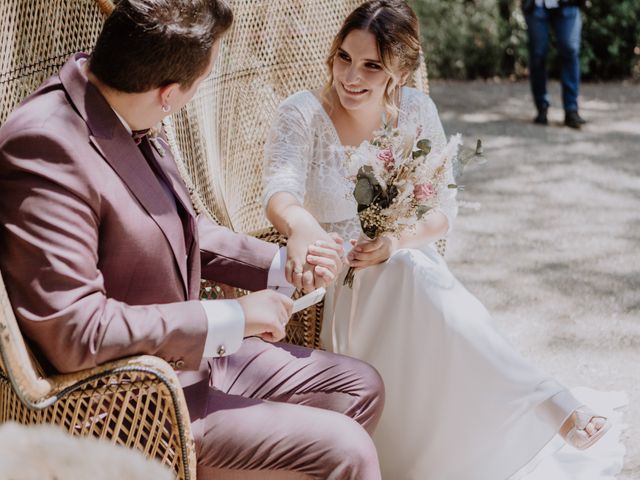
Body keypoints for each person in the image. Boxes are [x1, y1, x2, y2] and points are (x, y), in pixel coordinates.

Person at [0, 1, 386, 479]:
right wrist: (233, 316)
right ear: (168, 94)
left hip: (195, 358)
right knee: (350, 451)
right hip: (132, 396)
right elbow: (77, 331)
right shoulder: (45, 147)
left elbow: (180, 224)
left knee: (359, 387)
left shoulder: (121, 94)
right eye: (201, 82)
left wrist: (280, 261)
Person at [263, 1, 624, 479]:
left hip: (402, 259)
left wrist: (394, 242)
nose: (351, 76)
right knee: (415, 280)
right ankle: (546, 400)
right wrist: (301, 224)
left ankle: (541, 400)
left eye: (372, 65)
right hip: (330, 271)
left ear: (400, 70)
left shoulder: (415, 110)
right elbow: (280, 192)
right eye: (344, 58)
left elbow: (442, 212)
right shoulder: (303, 113)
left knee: (412, 271)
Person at [522, 0, 587, 128]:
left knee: (570, 49)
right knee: (538, 54)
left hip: (569, 4)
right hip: (537, 6)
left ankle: (571, 109)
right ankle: (541, 107)